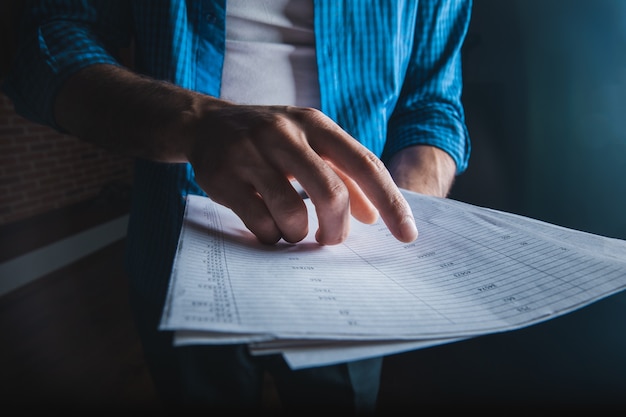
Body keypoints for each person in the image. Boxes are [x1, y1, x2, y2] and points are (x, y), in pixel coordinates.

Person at [3, 0, 471, 413]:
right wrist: (195, 123)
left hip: (351, 275)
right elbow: (45, 44)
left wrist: (403, 209)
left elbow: (432, 105)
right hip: (174, 249)